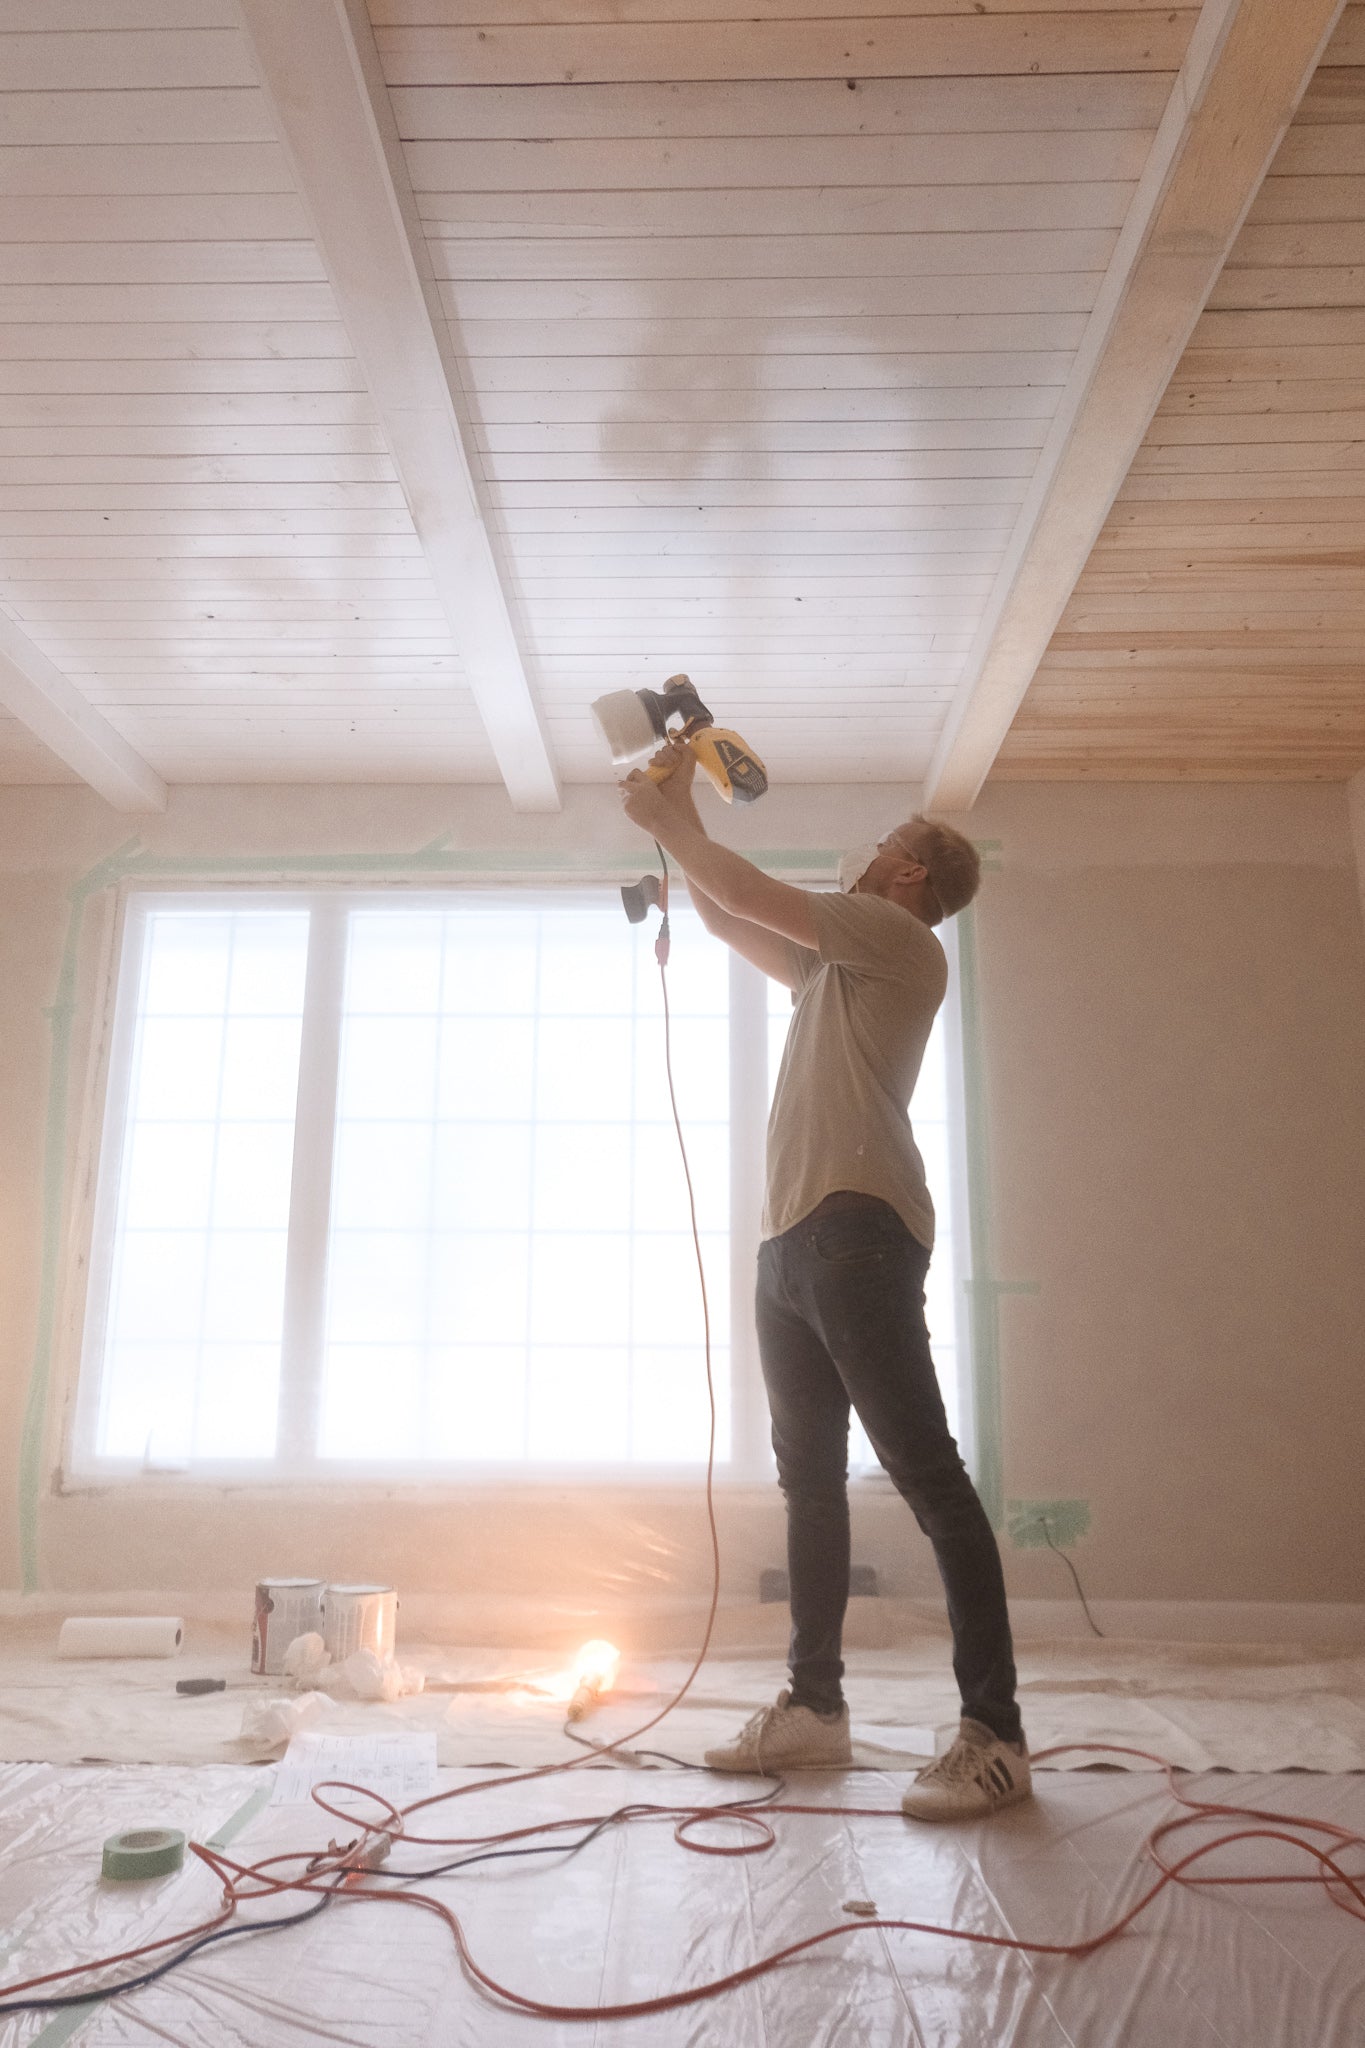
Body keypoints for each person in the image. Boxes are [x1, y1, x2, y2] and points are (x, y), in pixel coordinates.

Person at [620, 742, 1029, 1822]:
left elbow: (747, 885)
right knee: (809, 1482)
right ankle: (816, 1709)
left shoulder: (896, 939)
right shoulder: (831, 971)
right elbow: (722, 911)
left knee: (930, 1478)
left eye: (882, 845)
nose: (866, 854)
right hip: (788, 1247)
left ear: (908, 877)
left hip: (858, 1228)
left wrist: (673, 818)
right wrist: (673, 813)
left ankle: (997, 1732)